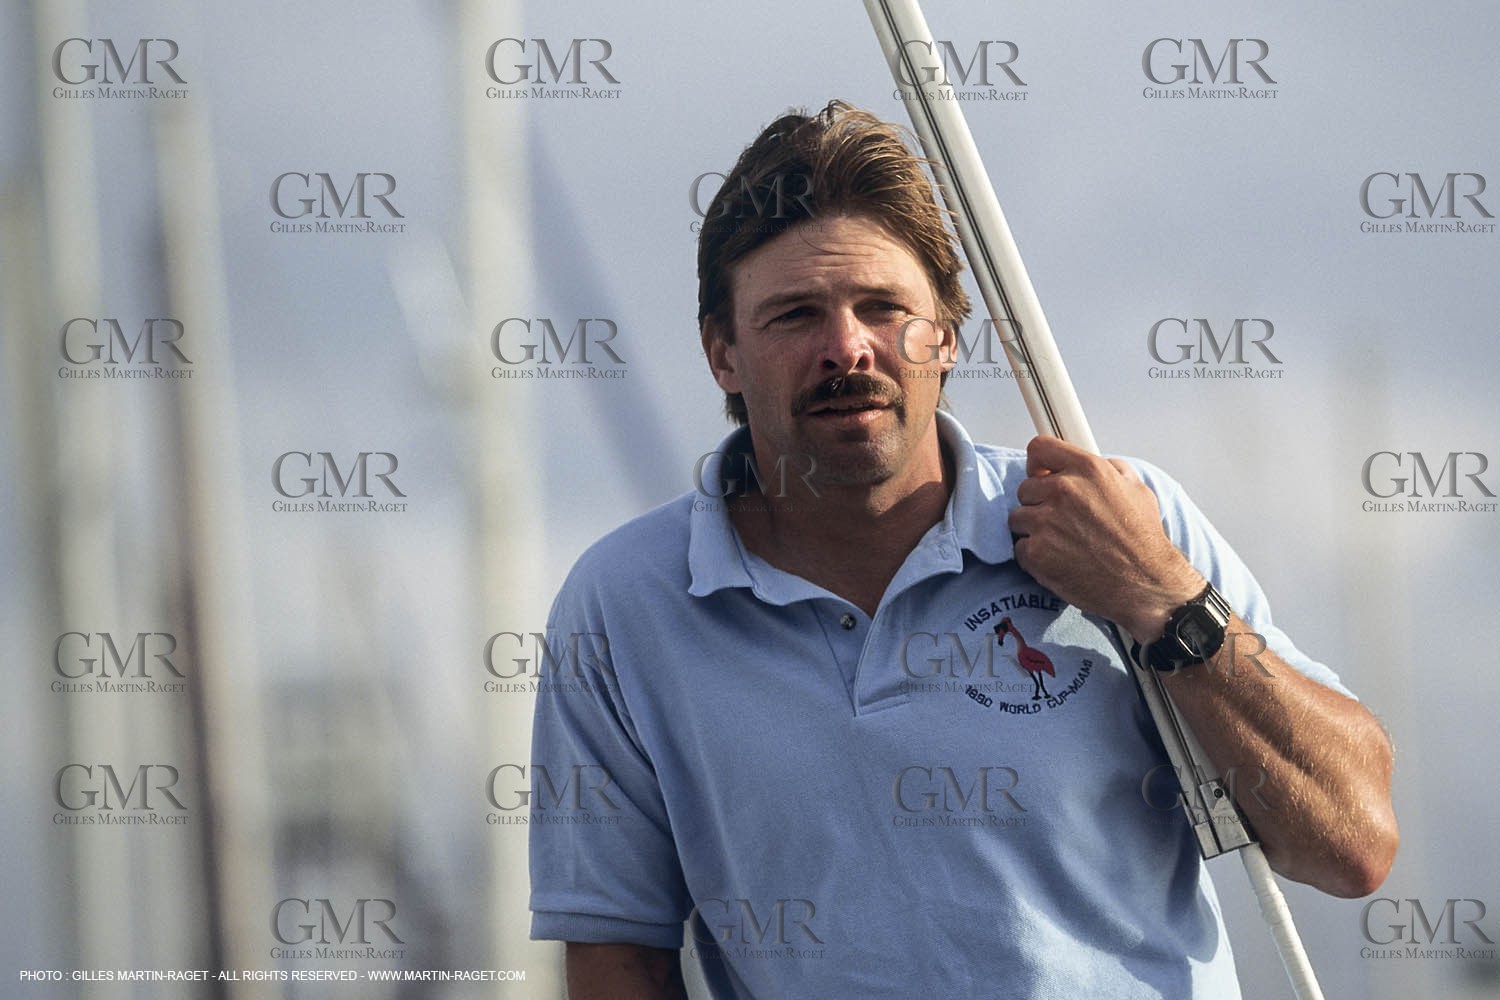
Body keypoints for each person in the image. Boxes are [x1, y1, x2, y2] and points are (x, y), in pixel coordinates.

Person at [528, 100, 1397, 999]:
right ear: (722, 354)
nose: (846, 348)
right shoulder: (627, 601)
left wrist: (1163, 598)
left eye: (883, 308)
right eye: (793, 316)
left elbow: (1352, 846)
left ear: (945, 338)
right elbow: (613, 954)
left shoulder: (1124, 520)